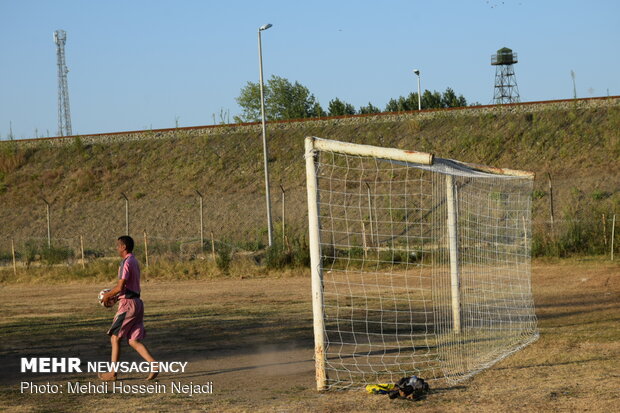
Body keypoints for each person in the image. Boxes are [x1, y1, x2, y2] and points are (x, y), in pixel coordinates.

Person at [99, 235, 158, 381]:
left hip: (128, 305)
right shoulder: (134, 261)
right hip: (138, 303)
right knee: (133, 340)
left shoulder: (126, 262)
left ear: (123, 247)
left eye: (118, 246)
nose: (117, 248)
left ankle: (112, 373)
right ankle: (154, 364)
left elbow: (120, 286)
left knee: (115, 338)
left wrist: (108, 296)